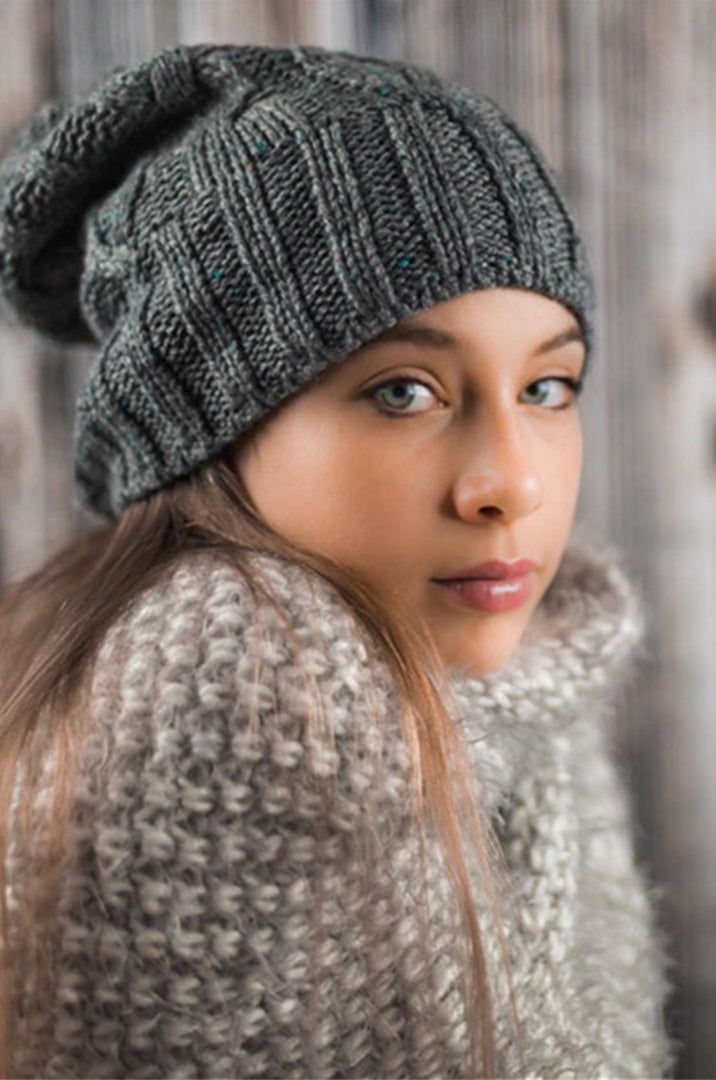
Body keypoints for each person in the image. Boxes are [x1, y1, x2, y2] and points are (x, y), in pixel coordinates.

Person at [0, 42, 674, 1078]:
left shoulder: (519, 691)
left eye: (548, 389)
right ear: (210, 433)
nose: (511, 484)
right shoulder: (244, 693)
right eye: (405, 391)